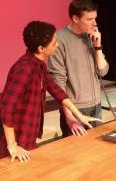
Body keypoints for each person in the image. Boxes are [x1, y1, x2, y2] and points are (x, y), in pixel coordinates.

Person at [0, 21, 101, 163]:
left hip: (28, 134)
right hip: (15, 137)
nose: (57, 45)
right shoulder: (25, 68)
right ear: (41, 48)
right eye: (54, 43)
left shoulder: (39, 65)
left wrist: (79, 115)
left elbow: (56, 90)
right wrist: (12, 145)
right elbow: (6, 107)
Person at [48, 0, 109, 137]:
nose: (95, 23)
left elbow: (103, 71)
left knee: (97, 151)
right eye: (89, 19)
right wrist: (69, 116)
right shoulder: (59, 40)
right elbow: (58, 81)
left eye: (95, 18)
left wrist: (98, 47)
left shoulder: (90, 37)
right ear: (75, 18)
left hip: (96, 104)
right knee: (76, 155)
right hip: (75, 108)